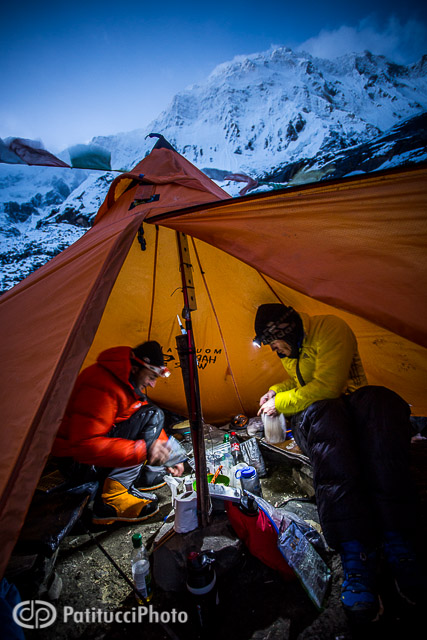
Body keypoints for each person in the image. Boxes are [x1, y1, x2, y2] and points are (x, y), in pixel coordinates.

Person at [253, 303, 425, 624]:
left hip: (353, 407)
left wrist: (280, 402)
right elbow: (306, 387)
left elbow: (329, 386)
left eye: (275, 343)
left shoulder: (328, 329)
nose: (275, 351)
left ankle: (397, 538)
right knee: (326, 416)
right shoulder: (291, 353)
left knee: (380, 401)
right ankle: (354, 549)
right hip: (320, 421)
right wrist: (275, 391)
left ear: (287, 332)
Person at [52, 341, 184, 525]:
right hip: (77, 463)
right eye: (151, 376)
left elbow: (143, 418)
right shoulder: (101, 385)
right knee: (153, 418)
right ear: (138, 368)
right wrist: (142, 450)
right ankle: (110, 500)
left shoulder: (124, 380)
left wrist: (169, 455)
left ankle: (127, 482)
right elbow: (85, 446)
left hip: (91, 455)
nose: (152, 384)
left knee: (152, 414)